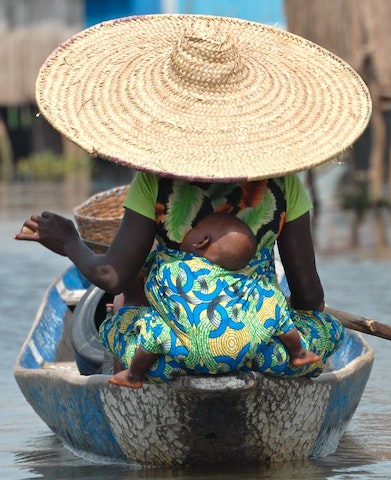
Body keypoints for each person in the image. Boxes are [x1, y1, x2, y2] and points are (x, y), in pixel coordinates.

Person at [15, 14, 371, 384]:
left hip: (176, 353)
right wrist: (290, 328)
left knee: (120, 320)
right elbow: (309, 295)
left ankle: (137, 374)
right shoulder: (284, 188)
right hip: (262, 349)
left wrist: (69, 240)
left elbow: (112, 276)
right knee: (325, 328)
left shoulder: (156, 185)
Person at [108, 212, 321, 389]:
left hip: (179, 360)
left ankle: (133, 375)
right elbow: (309, 298)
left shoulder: (170, 270)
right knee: (278, 312)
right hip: (249, 356)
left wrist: (74, 245)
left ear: (201, 241)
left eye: (193, 227)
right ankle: (299, 353)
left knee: (152, 325)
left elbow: (117, 276)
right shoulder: (254, 286)